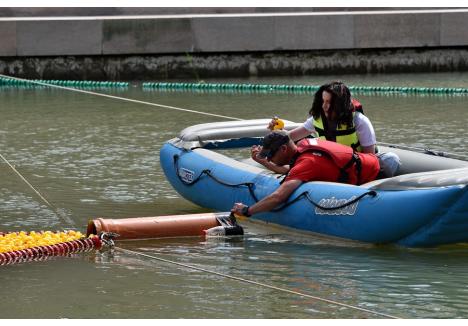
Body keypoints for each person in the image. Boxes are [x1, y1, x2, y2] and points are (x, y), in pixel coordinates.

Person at [232, 130, 395, 218]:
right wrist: (264, 163)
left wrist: (248, 211)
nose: (269, 158)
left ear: (283, 149)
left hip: (378, 175)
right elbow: (290, 170)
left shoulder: (307, 163)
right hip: (374, 164)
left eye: (270, 155)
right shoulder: (303, 148)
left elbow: (278, 197)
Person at [269, 81, 376, 153]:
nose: (324, 106)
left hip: (355, 167)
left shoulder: (360, 121)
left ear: (340, 104)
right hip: (330, 164)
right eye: (323, 101)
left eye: (329, 102)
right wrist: (276, 132)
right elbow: (291, 136)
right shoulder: (317, 120)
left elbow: (370, 157)